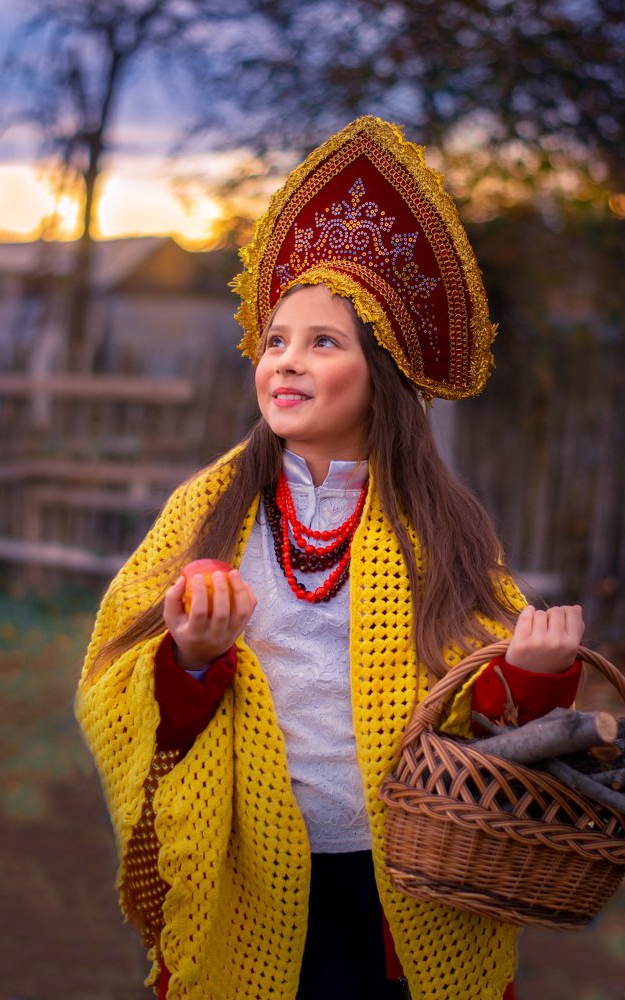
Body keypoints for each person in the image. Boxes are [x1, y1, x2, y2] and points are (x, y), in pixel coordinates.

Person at [76, 117, 584, 1000]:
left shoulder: (440, 525)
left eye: (323, 342)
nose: (286, 362)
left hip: (406, 894)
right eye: (275, 340)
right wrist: (191, 657)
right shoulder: (208, 512)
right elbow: (115, 689)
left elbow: (482, 724)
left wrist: (533, 678)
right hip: (254, 879)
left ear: (380, 376)